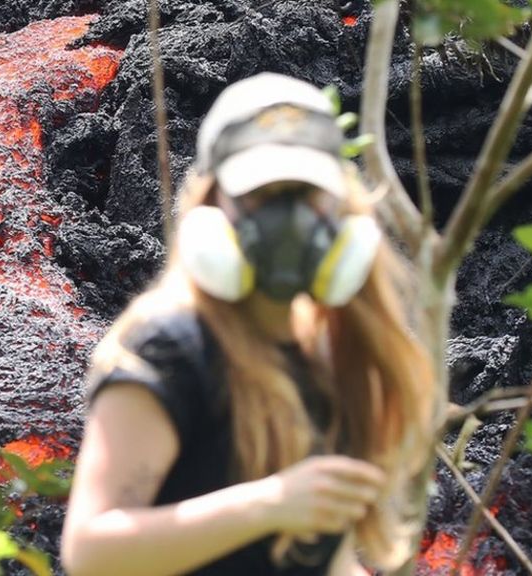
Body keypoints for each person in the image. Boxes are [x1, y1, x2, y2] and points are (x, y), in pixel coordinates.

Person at [60, 73, 435, 576]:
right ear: (213, 204)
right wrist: (271, 504)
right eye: (262, 194)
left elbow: (322, 555)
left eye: (305, 193)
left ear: (340, 206)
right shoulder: (167, 351)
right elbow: (91, 552)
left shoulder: (325, 350)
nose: (289, 220)